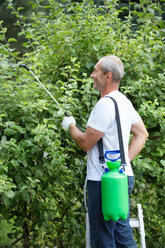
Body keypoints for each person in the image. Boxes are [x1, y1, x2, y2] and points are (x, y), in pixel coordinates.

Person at [62, 55, 148, 248]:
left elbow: (86, 143)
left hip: (103, 182)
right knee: (122, 237)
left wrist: (70, 126)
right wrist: (122, 163)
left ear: (107, 76)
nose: (92, 75)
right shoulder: (124, 101)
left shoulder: (105, 105)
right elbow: (142, 133)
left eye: (96, 71)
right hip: (122, 177)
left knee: (103, 240)